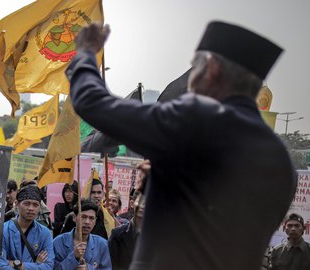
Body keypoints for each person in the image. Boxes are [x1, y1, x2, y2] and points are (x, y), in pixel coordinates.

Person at [67, 21, 295, 269]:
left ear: (212, 69)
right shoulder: (280, 159)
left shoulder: (196, 118)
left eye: (194, 67)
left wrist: (86, 54)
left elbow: (92, 102)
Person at [0, 185, 54, 269]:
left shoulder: (45, 233)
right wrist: (35, 265)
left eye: (35, 205)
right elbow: (0, 266)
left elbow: (48, 266)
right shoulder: (2, 230)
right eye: (26, 204)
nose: (31, 208)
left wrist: (18, 264)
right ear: (17, 204)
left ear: (40, 207)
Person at [53, 199, 111, 270]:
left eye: (91, 218)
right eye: (83, 217)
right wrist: (73, 257)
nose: (87, 222)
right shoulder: (58, 242)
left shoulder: (102, 245)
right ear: (74, 217)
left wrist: (88, 268)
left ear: (95, 221)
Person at [109, 203, 144, 270]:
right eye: (140, 201)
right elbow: (111, 264)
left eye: (146, 202)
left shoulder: (158, 237)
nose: (142, 205)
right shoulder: (117, 234)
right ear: (132, 203)